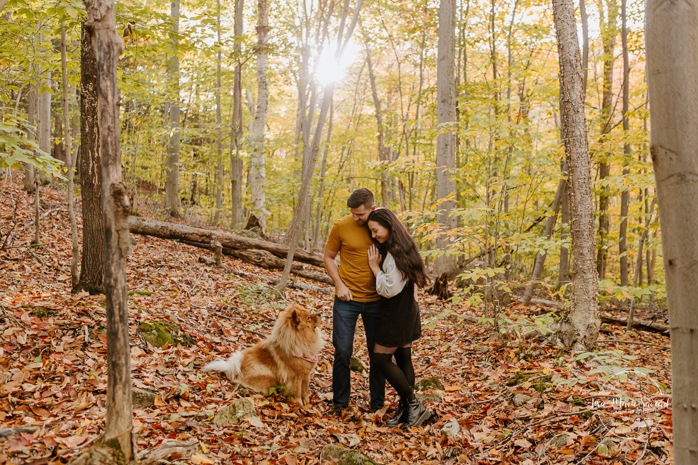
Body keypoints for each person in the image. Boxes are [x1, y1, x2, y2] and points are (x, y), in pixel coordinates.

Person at [366, 207, 431, 427]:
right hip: (406, 308)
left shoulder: (393, 253)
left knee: (381, 358)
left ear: (388, 225)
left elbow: (389, 288)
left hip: (395, 311)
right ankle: (407, 411)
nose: (374, 236)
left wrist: (375, 268)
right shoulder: (404, 245)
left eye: (376, 231)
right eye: (372, 232)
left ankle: (414, 405)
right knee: (403, 357)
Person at [324, 188, 385, 415]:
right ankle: (340, 405)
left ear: (372, 208)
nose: (356, 218)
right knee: (342, 351)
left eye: (360, 214)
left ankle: (377, 405)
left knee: (377, 354)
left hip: (377, 300)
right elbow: (328, 257)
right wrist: (339, 284)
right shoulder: (341, 226)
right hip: (346, 300)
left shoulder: (383, 225)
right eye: (353, 214)